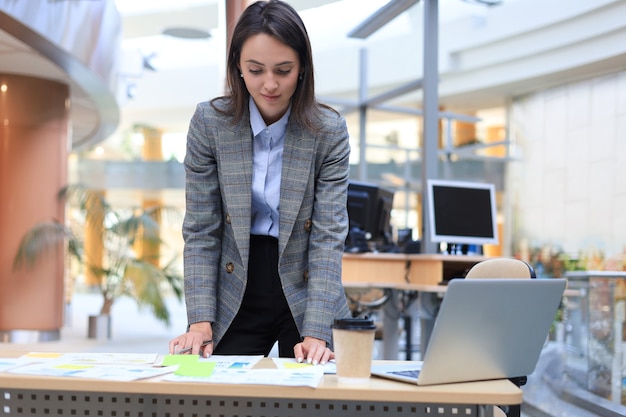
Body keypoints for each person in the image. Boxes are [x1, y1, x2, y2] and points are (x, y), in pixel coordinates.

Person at [168, 0, 351, 366]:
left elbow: (327, 236)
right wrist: (200, 320)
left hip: (304, 285)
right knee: (214, 394)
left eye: (283, 70)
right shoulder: (210, 123)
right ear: (238, 65)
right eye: (256, 70)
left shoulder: (328, 131)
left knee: (312, 397)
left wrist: (316, 331)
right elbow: (202, 229)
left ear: (302, 69)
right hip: (233, 283)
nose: (269, 84)